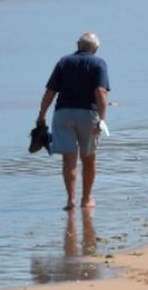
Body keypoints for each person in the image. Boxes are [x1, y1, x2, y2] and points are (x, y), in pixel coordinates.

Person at [35, 33, 111, 210]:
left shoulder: (64, 62)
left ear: (78, 45)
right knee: (89, 158)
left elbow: (50, 91)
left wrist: (41, 115)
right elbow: (101, 92)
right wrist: (103, 119)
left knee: (69, 159)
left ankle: (71, 200)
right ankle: (86, 199)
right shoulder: (99, 63)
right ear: (96, 48)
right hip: (88, 114)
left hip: (63, 113)